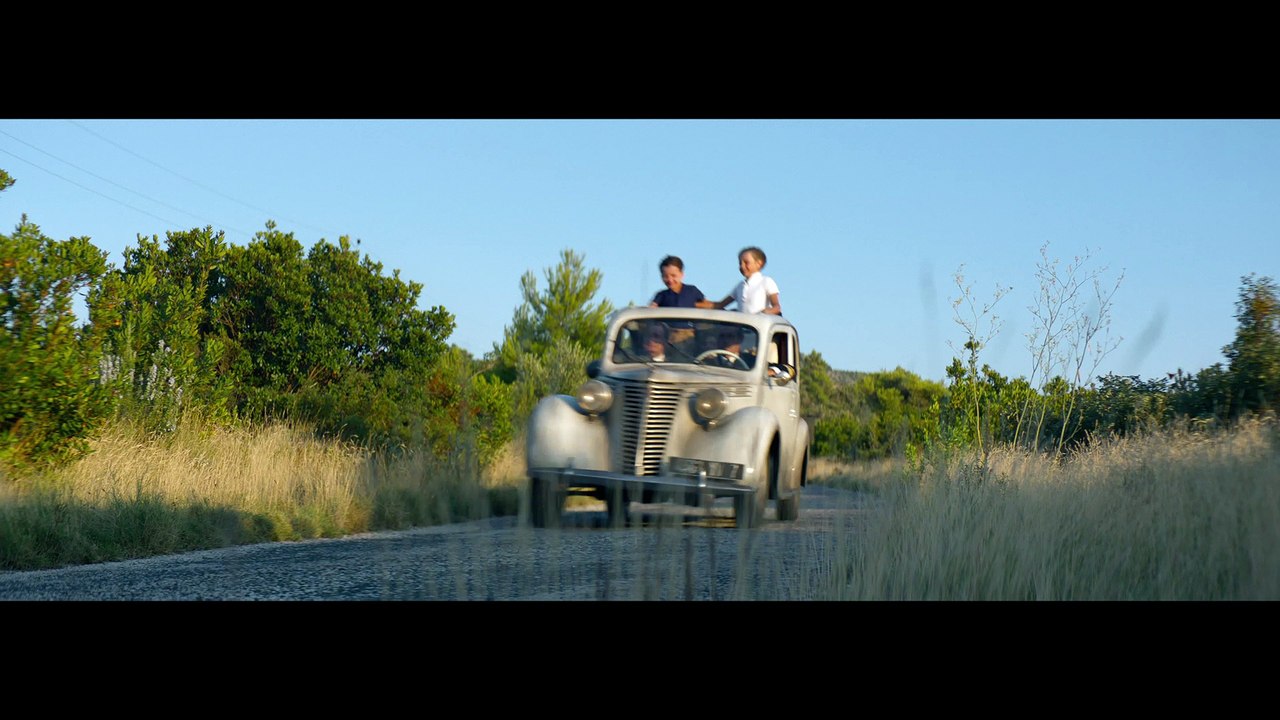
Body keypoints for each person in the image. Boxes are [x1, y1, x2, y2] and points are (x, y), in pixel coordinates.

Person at [700, 246, 782, 315]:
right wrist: (694, 303)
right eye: (740, 263)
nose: (742, 266)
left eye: (746, 262)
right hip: (744, 330)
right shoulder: (740, 286)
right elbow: (720, 304)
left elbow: (776, 307)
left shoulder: (766, 281)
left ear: (759, 263)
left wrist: (764, 313)